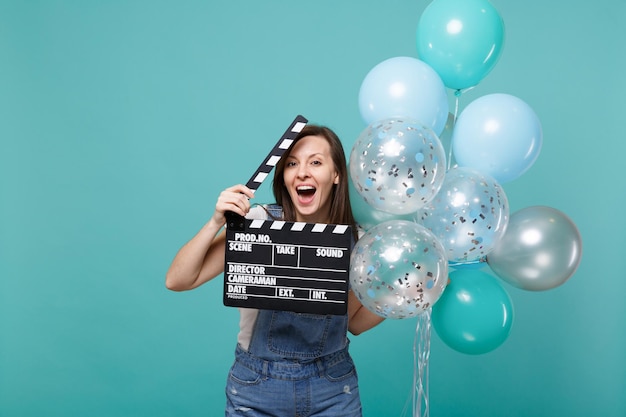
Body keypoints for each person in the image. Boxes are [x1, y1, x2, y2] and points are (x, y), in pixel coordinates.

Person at [166, 124, 384, 416]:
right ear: (283, 175)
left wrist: (403, 292)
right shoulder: (257, 223)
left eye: (315, 162)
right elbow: (178, 280)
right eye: (292, 163)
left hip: (332, 387)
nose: (302, 172)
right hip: (256, 386)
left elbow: (354, 322)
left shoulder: (356, 240)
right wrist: (215, 222)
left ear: (336, 175)